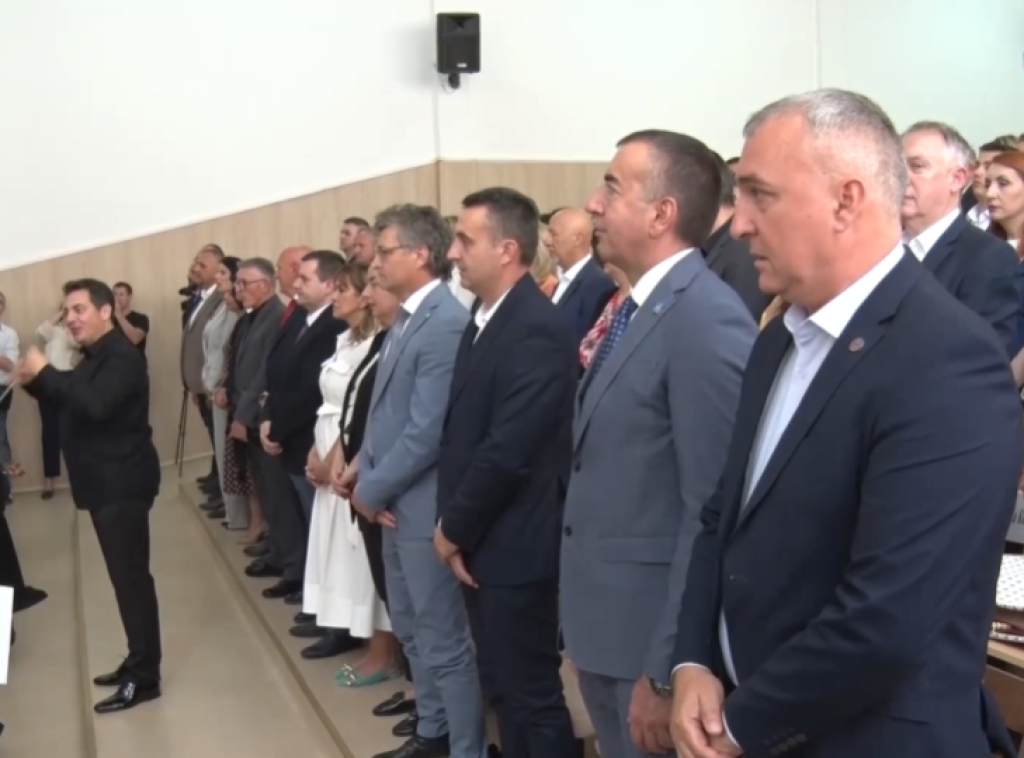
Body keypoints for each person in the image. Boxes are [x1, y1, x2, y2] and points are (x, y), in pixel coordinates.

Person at [669, 89, 1022, 758]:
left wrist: (739, 725)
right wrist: (692, 661)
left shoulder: (947, 358)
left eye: (760, 195)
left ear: (846, 200)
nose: (739, 225)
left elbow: (889, 615)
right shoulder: (778, 341)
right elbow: (723, 519)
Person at [561, 129, 756, 758]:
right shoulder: (637, 308)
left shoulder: (704, 317)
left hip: (648, 644)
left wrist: (669, 664)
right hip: (605, 626)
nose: (593, 204)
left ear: (661, 213)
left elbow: (711, 507)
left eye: (611, 188)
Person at [439, 187, 578, 758]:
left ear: (506, 250)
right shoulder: (484, 317)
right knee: (503, 688)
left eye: (464, 240)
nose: (452, 252)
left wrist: (454, 527)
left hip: (516, 541)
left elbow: (509, 448)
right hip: (483, 539)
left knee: (530, 694)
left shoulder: (536, 327)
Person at [342, 204, 483, 758]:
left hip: (420, 507)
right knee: (411, 627)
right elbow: (386, 412)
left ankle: (465, 746)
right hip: (391, 501)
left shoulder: (443, 321)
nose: (375, 263)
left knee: (442, 637)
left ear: (421, 254)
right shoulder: (405, 318)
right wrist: (363, 466)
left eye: (385, 251)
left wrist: (368, 490)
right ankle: (432, 730)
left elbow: (426, 433)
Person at [18, 278, 162, 715]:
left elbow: (95, 404)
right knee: (125, 580)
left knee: (131, 580)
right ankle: (138, 659)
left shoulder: (121, 356)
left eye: (79, 309)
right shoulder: (96, 355)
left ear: (105, 311)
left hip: (122, 483)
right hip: (106, 483)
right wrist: (35, 380)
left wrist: (44, 372)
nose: (71, 318)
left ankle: (145, 676)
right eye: (66, 311)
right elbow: (74, 394)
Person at [900, 122, 1018, 354]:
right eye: (896, 166)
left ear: (957, 178)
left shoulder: (988, 257)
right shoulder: (877, 248)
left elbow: (981, 355)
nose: (900, 177)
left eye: (917, 166)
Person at [112, 282, 150, 358]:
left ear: (129, 297)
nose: (117, 298)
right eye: (115, 295)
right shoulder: (106, 319)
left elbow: (135, 339)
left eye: (121, 294)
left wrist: (118, 314)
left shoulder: (141, 318)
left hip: (134, 363)